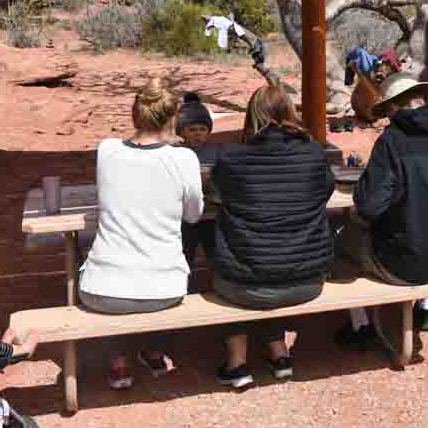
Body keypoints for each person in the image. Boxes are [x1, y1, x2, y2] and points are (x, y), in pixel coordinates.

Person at [336, 74, 428, 346]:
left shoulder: (393, 141)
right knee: (425, 217)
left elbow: (368, 206)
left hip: (402, 263)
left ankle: (361, 324)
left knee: (339, 238)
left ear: (393, 108)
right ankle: (426, 307)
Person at [78, 78, 204, 389]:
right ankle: (153, 349)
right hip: (165, 289)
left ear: (135, 114)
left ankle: (119, 360)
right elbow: (193, 214)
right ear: (173, 118)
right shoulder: (183, 158)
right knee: (167, 258)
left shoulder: (106, 151)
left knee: (96, 253)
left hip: (101, 289)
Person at [210, 84, 334, 389]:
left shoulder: (230, 157)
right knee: (270, 259)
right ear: (290, 113)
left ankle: (237, 362)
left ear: (252, 116)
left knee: (243, 265)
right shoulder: (314, 153)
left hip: (245, 285)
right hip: (307, 282)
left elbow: (214, 194)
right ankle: (278, 352)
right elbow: (326, 190)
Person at [176, 92, 219, 270]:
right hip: (184, 218)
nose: (198, 134)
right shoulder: (174, 154)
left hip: (212, 215)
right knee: (184, 256)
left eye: (202, 129)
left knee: (215, 255)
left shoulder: (217, 152)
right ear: (181, 131)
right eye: (192, 130)